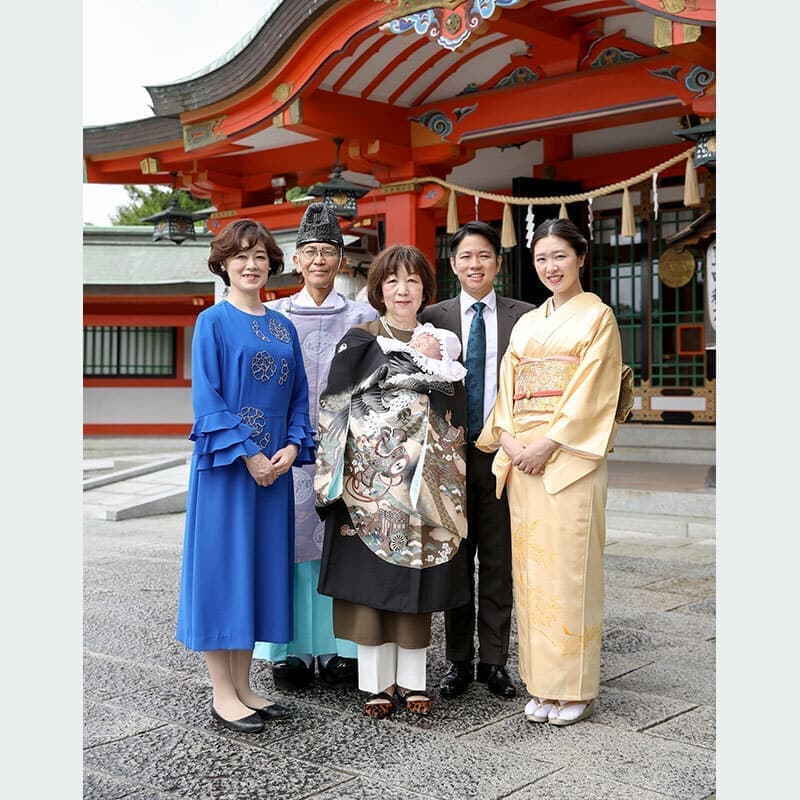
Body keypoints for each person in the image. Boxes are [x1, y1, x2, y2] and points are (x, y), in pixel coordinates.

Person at [476, 217, 629, 726]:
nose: (550, 267)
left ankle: (575, 688)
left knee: (571, 572)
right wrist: (514, 442)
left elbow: (594, 392)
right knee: (533, 574)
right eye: (541, 259)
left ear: (581, 257)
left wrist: (546, 443)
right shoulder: (527, 322)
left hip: (570, 461)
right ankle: (543, 683)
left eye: (559, 256)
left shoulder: (598, 318)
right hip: (525, 463)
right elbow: (506, 392)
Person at [314, 244, 471, 719]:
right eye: (392, 281)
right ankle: (376, 684)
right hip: (373, 486)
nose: (403, 290)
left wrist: (431, 365)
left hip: (424, 485)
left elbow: (453, 410)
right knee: (373, 584)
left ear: (426, 288)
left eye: (413, 281)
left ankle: (414, 680)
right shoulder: (361, 338)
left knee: (416, 583)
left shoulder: (442, 345)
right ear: (378, 289)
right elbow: (335, 403)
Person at [176, 219, 316, 734]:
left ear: (272, 263)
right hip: (227, 469)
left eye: (259, 255)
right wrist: (249, 456)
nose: (251, 264)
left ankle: (244, 686)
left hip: (273, 471)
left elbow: (300, 395)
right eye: (240, 256)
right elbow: (207, 399)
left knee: (255, 572)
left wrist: (292, 445)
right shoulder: (213, 321)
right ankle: (221, 691)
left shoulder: (283, 327)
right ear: (224, 264)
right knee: (224, 571)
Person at [253, 203, 377, 691]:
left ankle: (342, 646)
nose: (319, 260)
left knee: (342, 544)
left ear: (341, 261)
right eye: (310, 252)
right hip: (292, 448)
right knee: (291, 544)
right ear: (297, 261)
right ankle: (290, 651)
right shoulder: (274, 314)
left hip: (349, 447)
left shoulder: (363, 316)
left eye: (328, 251)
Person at [419, 220, 534, 700]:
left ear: (498, 263)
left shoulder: (525, 316)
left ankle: (494, 662)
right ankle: (458, 662)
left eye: (484, 256)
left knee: (499, 560)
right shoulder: (432, 317)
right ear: (453, 264)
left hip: (501, 455)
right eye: (465, 256)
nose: (475, 264)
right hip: (448, 459)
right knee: (455, 558)